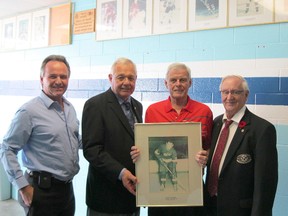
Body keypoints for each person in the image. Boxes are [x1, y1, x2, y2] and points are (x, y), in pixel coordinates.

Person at [0, 55, 81, 216]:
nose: (59, 81)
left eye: (63, 76)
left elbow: (75, 140)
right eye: (52, 76)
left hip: (66, 190)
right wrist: (22, 186)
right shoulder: (29, 111)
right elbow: (7, 148)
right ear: (41, 79)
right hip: (41, 191)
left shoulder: (70, 108)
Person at [131, 62, 213, 216]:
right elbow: (146, 147)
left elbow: (208, 147)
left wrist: (205, 157)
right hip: (158, 198)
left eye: (183, 80)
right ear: (165, 83)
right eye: (173, 80)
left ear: (190, 83)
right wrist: (139, 154)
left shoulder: (205, 111)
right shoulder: (152, 111)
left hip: (193, 190)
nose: (178, 84)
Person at [204, 75, 278, 216]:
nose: (229, 97)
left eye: (236, 92)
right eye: (225, 92)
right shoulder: (216, 123)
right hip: (211, 207)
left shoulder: (262, 129)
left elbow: (265, 183)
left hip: (240, 211)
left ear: (246, 95)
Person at [82, 57, 143, 216]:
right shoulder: (95, 105)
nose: (126, 82)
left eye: (131, 78)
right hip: (105, 198)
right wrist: (121, 172)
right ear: (111, 78)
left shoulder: (137, 106)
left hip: (131, 196)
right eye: (121, 77)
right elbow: (92, 150)